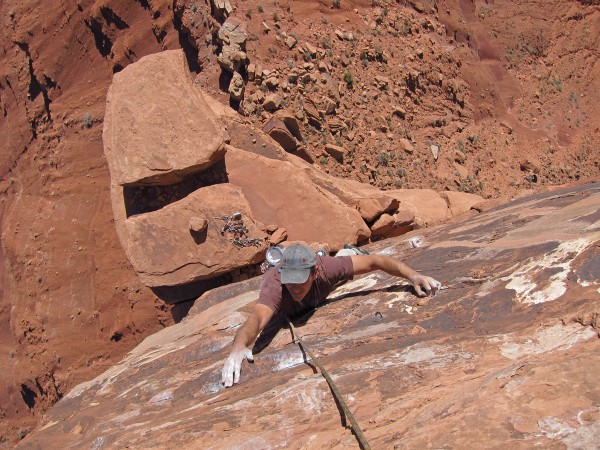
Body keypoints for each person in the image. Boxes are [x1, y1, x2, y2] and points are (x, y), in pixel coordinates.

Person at [221, 243, 442, 387]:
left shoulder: (326, 269)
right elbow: (257, 319)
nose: (295, 288)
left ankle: (346, 253)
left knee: (345, 269)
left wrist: (414, 276)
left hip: (327, 280)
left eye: (300, 281)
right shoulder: (275, 285)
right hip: (309, 293)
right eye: (290, 281)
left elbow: (375, 261)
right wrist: (238, 348)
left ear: (314, 272)